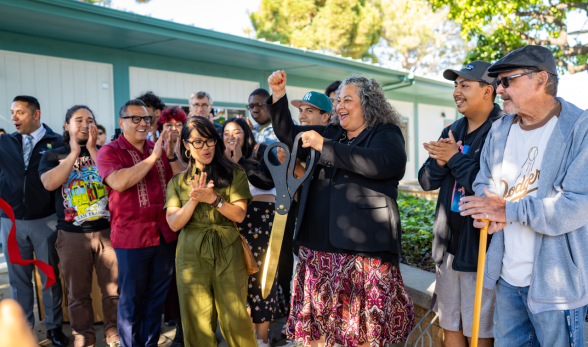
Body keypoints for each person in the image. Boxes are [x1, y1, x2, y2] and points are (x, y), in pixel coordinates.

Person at [267, 71, 414, 347]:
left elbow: (384, 163)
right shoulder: (333, 131)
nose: (339, 106)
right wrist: (278, 96)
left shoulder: (385, 133)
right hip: (318, 247)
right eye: (338, 101)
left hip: (363, 255)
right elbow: (289, 134)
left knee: (361, 334)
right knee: (317, 330)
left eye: (347, 100)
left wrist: (327, 147)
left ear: (368, 105)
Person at [459, 45, 588, 346]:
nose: (499, 89)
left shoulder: (580, 129)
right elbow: (483, 182)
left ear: (541, 80)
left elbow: (578, 204)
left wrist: (507, 211)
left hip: (558, 289)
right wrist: (486, 210)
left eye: (508, 81)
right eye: (498, 82)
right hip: (507, 280)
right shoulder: (499, 130)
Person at [418, 61, 502, 347]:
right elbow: (426, 181)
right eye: (455, 85)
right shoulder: (452, 129)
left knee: (478, 330)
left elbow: (490, 188)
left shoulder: (503, 130)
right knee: (450, 323)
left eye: (465, 85)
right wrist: (441, 161)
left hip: (480, 249)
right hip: (448, 248)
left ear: (488, 91)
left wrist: (453, 158)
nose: (457, 91)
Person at [96, 99, 185, 347]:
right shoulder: (110, 151)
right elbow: (119, 182)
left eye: (147, 119)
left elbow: (182, 180)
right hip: (132, 239)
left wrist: (169, 155)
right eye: (135, 118)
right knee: (131, 302)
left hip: (164, 236)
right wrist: (153, 157)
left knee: (155, 301)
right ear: (121, 122)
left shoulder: (158, 148)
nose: (143, 123)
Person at [165, 116, 257, 347]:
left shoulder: (235, 174)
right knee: (196, 322)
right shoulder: (177, 182)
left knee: (236, 319)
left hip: (228, 251)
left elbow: (239, 215)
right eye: (197, 142)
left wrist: (214, 199)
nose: (205, 147)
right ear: (186, 145)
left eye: (209, 141)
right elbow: (174, 223)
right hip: (190, 255)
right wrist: (195, 200)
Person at [39, 105, 120, 347]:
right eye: (78, 120)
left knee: (114, 291)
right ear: (67, 126)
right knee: (77, 295)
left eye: (90, 119)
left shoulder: (106, 152)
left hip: (108, 232)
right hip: (72, 234)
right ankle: (83, 338)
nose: (85, 124)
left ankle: (114, 335)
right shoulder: (53, 155)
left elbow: (116, 182)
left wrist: (94, 149)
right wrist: (74, 153)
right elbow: (49, 183)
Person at [0, 95, 68, 346]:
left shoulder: (57, 142)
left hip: (46, 220)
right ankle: (24, 329)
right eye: (12, 112)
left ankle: (53, 327)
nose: (13, 118)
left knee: (50, 277)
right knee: (18, 280)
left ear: (36, 114)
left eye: (19, 112)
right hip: (11, 221)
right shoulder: (4, 142)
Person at [222, 118, 279, 347]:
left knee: (262, 276)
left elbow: (269, 181)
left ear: (246, 133)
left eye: (237, 131)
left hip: (260, 218)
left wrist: (241, 162)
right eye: (226, 132)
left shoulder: (261, 150)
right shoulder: (219, 158)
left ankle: (262, 338)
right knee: (238, 279)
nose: (231, 136)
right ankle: (247, 337)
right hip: (232, 218)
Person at [157, 106, 187, 347]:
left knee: (182, 281)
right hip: (159, 224)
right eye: (169, 125)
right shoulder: (152, 149)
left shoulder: (188, 149)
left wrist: (172, 156)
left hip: (185, 223)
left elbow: (184, 180)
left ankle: (183, 330)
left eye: (178, 125)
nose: (173, 129)